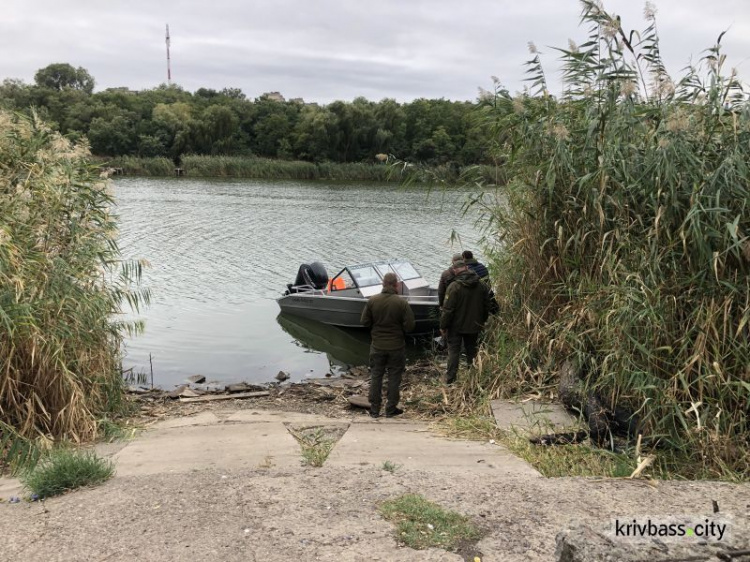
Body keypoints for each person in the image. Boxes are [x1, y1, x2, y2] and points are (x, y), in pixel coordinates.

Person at [360, 272, 416, 418]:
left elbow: (364, 322)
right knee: (394, 377)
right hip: (396, 346)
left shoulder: (373, 300)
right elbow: (410, 326)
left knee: (376, 376)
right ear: (396, 285)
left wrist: (375, 329)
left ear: (383, 284)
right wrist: (400, 330)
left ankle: (374, 409)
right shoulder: (401, 302)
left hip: (377, 345)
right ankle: (390, 409)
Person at [440, 259, 494, 384]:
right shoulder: (481, 285)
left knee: (454, 351)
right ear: (466, 268)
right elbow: (487, 305)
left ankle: (450, 378)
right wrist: (483, 320)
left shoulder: (454, 287)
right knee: (472, 350)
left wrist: (443, 326)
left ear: (455, 270)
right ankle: (473, 376)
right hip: (474, 325)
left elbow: (447, 310)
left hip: (456, 327)